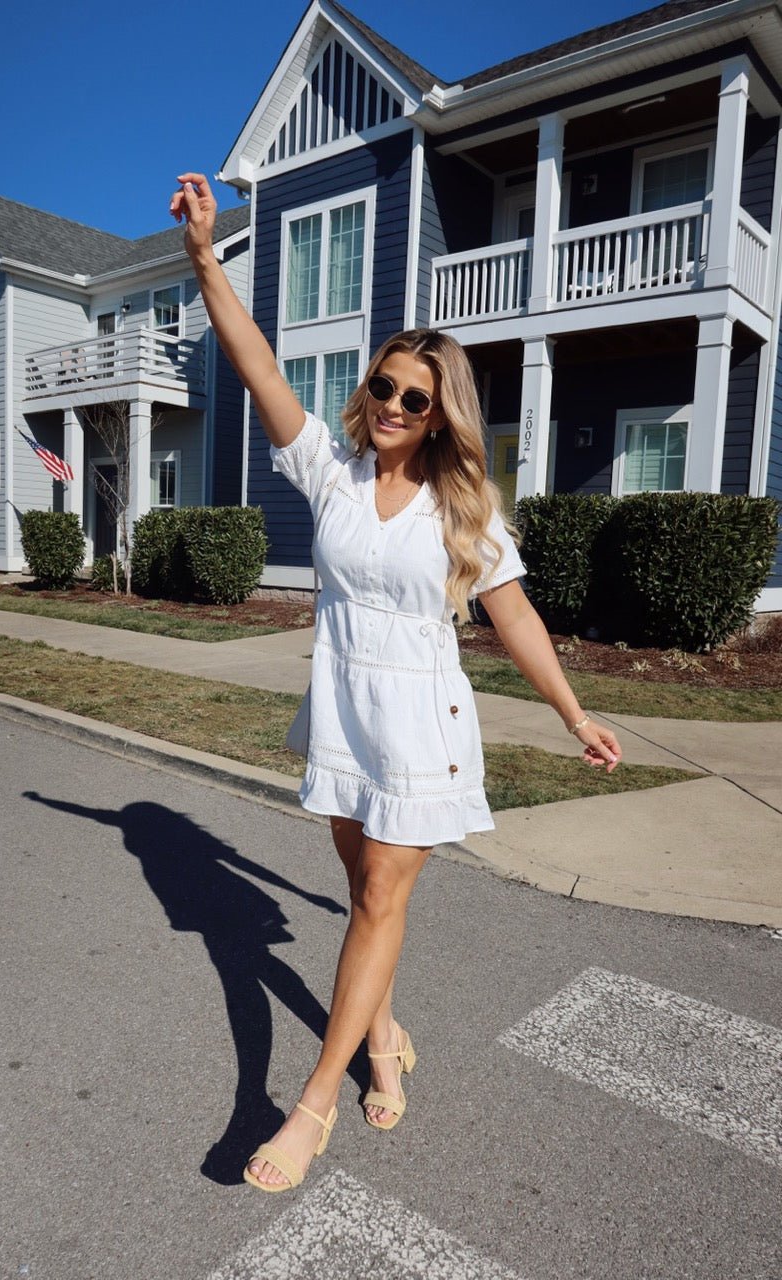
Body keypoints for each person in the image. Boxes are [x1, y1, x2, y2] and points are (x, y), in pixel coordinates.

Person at [170, 173, 623, 1193]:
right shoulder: (329, 471)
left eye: (417, 397)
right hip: (341, 705)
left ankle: (307, 1104)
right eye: (384, 385)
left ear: (438, 415)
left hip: (421, 719)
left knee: (380, 895)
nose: (394, 405)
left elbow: (513, 614)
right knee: (361, 894)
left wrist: (573, 710)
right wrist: (204, 256)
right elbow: (253, 362)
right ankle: (382, 1038)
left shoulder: (463, 512)